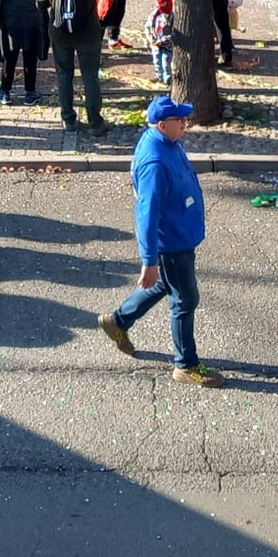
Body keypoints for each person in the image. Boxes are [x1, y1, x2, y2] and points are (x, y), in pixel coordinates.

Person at [97, 96, 223, 388]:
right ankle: (186, 365)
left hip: (179, 234)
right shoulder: (155, 161)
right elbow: (147, 214)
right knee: (185, 299)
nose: (185, 124)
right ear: (163, 125)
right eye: (180, 121)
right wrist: (149, 260)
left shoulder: (166, 141)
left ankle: (118, 321)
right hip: (173, 242)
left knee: (164, 284)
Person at [38, 0, 120, 135]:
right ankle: (95, 123)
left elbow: (40, 3)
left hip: (59, 34)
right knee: (90, 77)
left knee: (64, 75)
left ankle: (68, 120)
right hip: (88, 33)